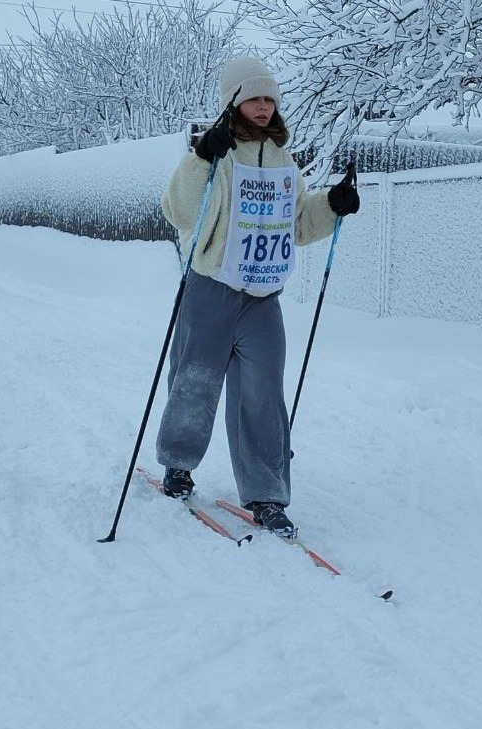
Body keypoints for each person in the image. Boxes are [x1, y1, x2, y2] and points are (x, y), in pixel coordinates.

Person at [156, 56, 361, 539]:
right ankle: (178, 465)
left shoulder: (285, 162)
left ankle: (267, 493)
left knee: (263, 395)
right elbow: (179, 212)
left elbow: (293, 226)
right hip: (212, 288)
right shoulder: (216, 155)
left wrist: (330, 207)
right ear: (233, 101)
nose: (264, 106)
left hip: (263, 297)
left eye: (269, 98)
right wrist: (202, 157)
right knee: (196, 382)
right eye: (253, 97)